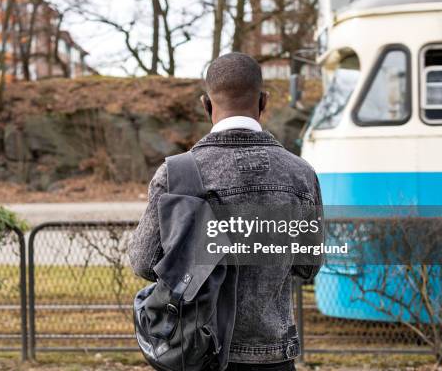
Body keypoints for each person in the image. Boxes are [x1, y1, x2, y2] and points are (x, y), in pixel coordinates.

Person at [128, 52, 323, 371]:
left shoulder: (175, 174)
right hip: (273, 356)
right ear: (263, 101)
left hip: (197, 351)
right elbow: (307, 266)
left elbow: (144, 262)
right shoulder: (301, 174)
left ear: (206, 105)